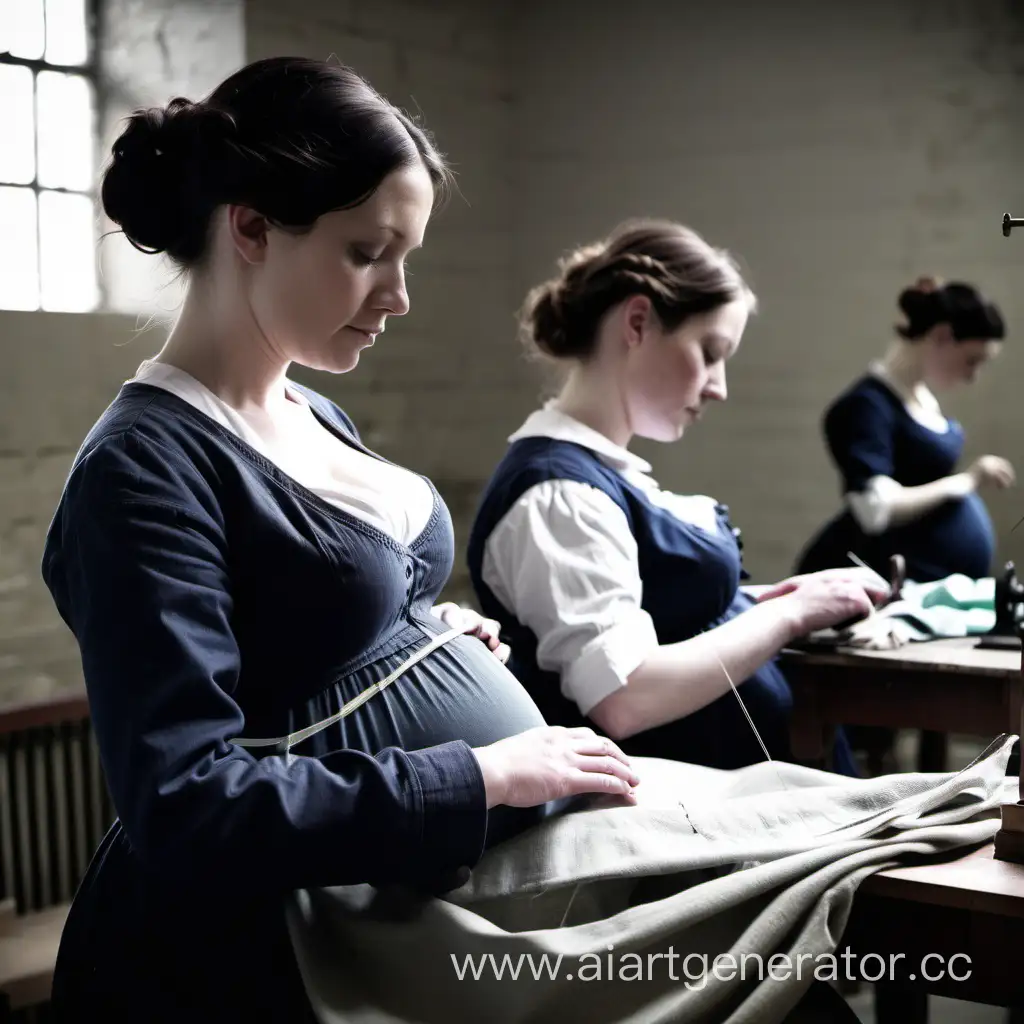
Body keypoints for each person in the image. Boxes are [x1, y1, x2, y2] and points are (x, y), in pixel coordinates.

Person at [40, 57, 643, 1023]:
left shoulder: (312, 411)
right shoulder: (143, 467)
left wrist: (417, 639)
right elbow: (187, 804)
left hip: (380, 924)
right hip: (237, 968)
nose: (399, 295)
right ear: (250, 227)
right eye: (368, 252)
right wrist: (479, 774)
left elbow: (304, 634)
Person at [466, 220, 888, 775]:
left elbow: (657, 611)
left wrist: (778, 599)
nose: (719, 386)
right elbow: (624, 694)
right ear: (638, 322)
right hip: (690, 817)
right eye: (710, 352)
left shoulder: (597, 473)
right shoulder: (556, 493)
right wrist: (789, 615)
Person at [795, 276, 1012, 584]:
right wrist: (968, 480)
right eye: (971, 361)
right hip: (879, 580)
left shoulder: (922, 399)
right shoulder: (866, 406)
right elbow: (875, 510)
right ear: (942, 336)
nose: (972, 376)